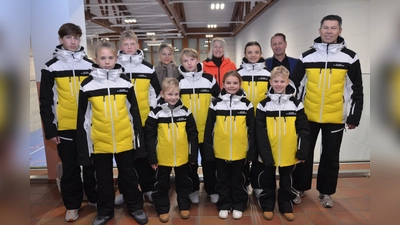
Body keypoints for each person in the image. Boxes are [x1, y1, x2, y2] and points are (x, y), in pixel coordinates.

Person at [291, 15, 364, 208]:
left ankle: (325, 192)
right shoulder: (306, 57)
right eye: (326, 28)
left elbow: (356, 88)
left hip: (336, 117)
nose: (329, 32)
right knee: (302, 153)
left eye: (333, 28)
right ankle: (299, 188)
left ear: (340, 31)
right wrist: (295, 113)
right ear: (319, 30)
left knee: (330, 156)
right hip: (308, 116)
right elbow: (293, 85)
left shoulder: (350, 57)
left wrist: (354, 115)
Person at [76, 42, 148, 225]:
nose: (107, 61)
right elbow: (82, 120)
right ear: (96, 59)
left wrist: (138, 144)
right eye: (103, 58)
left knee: (129, 176)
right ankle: (105, 211)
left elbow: (135, 115)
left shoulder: (125, 83)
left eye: (110, 58)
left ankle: (135, 207)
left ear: (116, 58)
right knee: (103, 179)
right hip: (100, 142)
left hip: (125, 140)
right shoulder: (87, 86)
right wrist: (84, 150)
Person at [39, 23, 97, 222]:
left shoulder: (90, 65)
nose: (73, 42)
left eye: (76, 38)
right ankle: (72, 205)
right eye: (69, 38)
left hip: (88, 126)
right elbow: (45, 101)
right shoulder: (50, 67)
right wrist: (51, 129)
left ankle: (94, 198)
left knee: (91, 165)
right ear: (61, 39)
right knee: (70, 168)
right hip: (64, 127)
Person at [255, 66, 309, 222]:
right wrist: (264, 153)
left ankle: (286, 205)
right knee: (267, 180)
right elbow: (260, 132)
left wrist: (302, 151)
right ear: (270, 82)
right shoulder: (263, 105)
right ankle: (267, 205)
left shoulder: (296, 104)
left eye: (282, 81)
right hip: (268, 151)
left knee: (286, 181)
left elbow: (303, 129)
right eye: (276, 81)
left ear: (288, 82)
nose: (278, 84)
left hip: (289, 150)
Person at [114, 30, 161, 206]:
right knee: (125, 160)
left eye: (132, 44)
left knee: (144, 158)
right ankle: (126, 192)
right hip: (122, 122)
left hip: (143, 121)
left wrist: (151, 113)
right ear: (120, 47)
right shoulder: (114, 67)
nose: (129, 47)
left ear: (138, 45)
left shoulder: (148, 68)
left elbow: (155, 93)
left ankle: (148, 189)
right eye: (125, 44)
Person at [203, 71, 256, 220]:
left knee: (239, 179)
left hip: (240, 152)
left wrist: (251, 151)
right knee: (222, 180)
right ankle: (224, 204)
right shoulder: (215, 104)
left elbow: (252, 130)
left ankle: (239, 204)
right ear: (223, 84)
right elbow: (209, 129)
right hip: (221, 151)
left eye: (235, 83)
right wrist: (209, 150)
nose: (231, 86)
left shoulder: (247, 104)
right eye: (228, 83)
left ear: (240, 84)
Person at [145, 78, 198, 223]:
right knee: (161, 184)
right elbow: (149, 137)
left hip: (182, 157)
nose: (173, 97)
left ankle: (184, 205)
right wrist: (152, 158)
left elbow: (193, 135)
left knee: (184, 182)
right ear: (162, 94)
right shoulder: (155, 113)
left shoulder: (186, 112)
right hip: (162, 157)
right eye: (169, 94)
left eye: (176, 94)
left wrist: (192, 156)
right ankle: (162, 208)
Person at [177, 48, 220, 204]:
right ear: (181, 63)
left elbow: (220, 98)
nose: (189, 63)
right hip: (188, 131)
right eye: (185, 61)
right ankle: (194, 189)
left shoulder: (209, 79)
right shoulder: (179, 81)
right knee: (191, 163)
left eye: (192, 60)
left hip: (208, 129)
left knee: (209, 162)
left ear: (197, 60)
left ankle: (212, 189)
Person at [237, 41, 271, 198]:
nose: (253, 55)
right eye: (249, 52)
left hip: (263, 121)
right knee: (244, 152)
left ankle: (258, 184)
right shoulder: (238, 74)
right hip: (242, 121)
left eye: (256, 52)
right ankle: (243, 184)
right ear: (245, 54)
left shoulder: (268, 74)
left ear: (261, 54)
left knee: (259, 154)